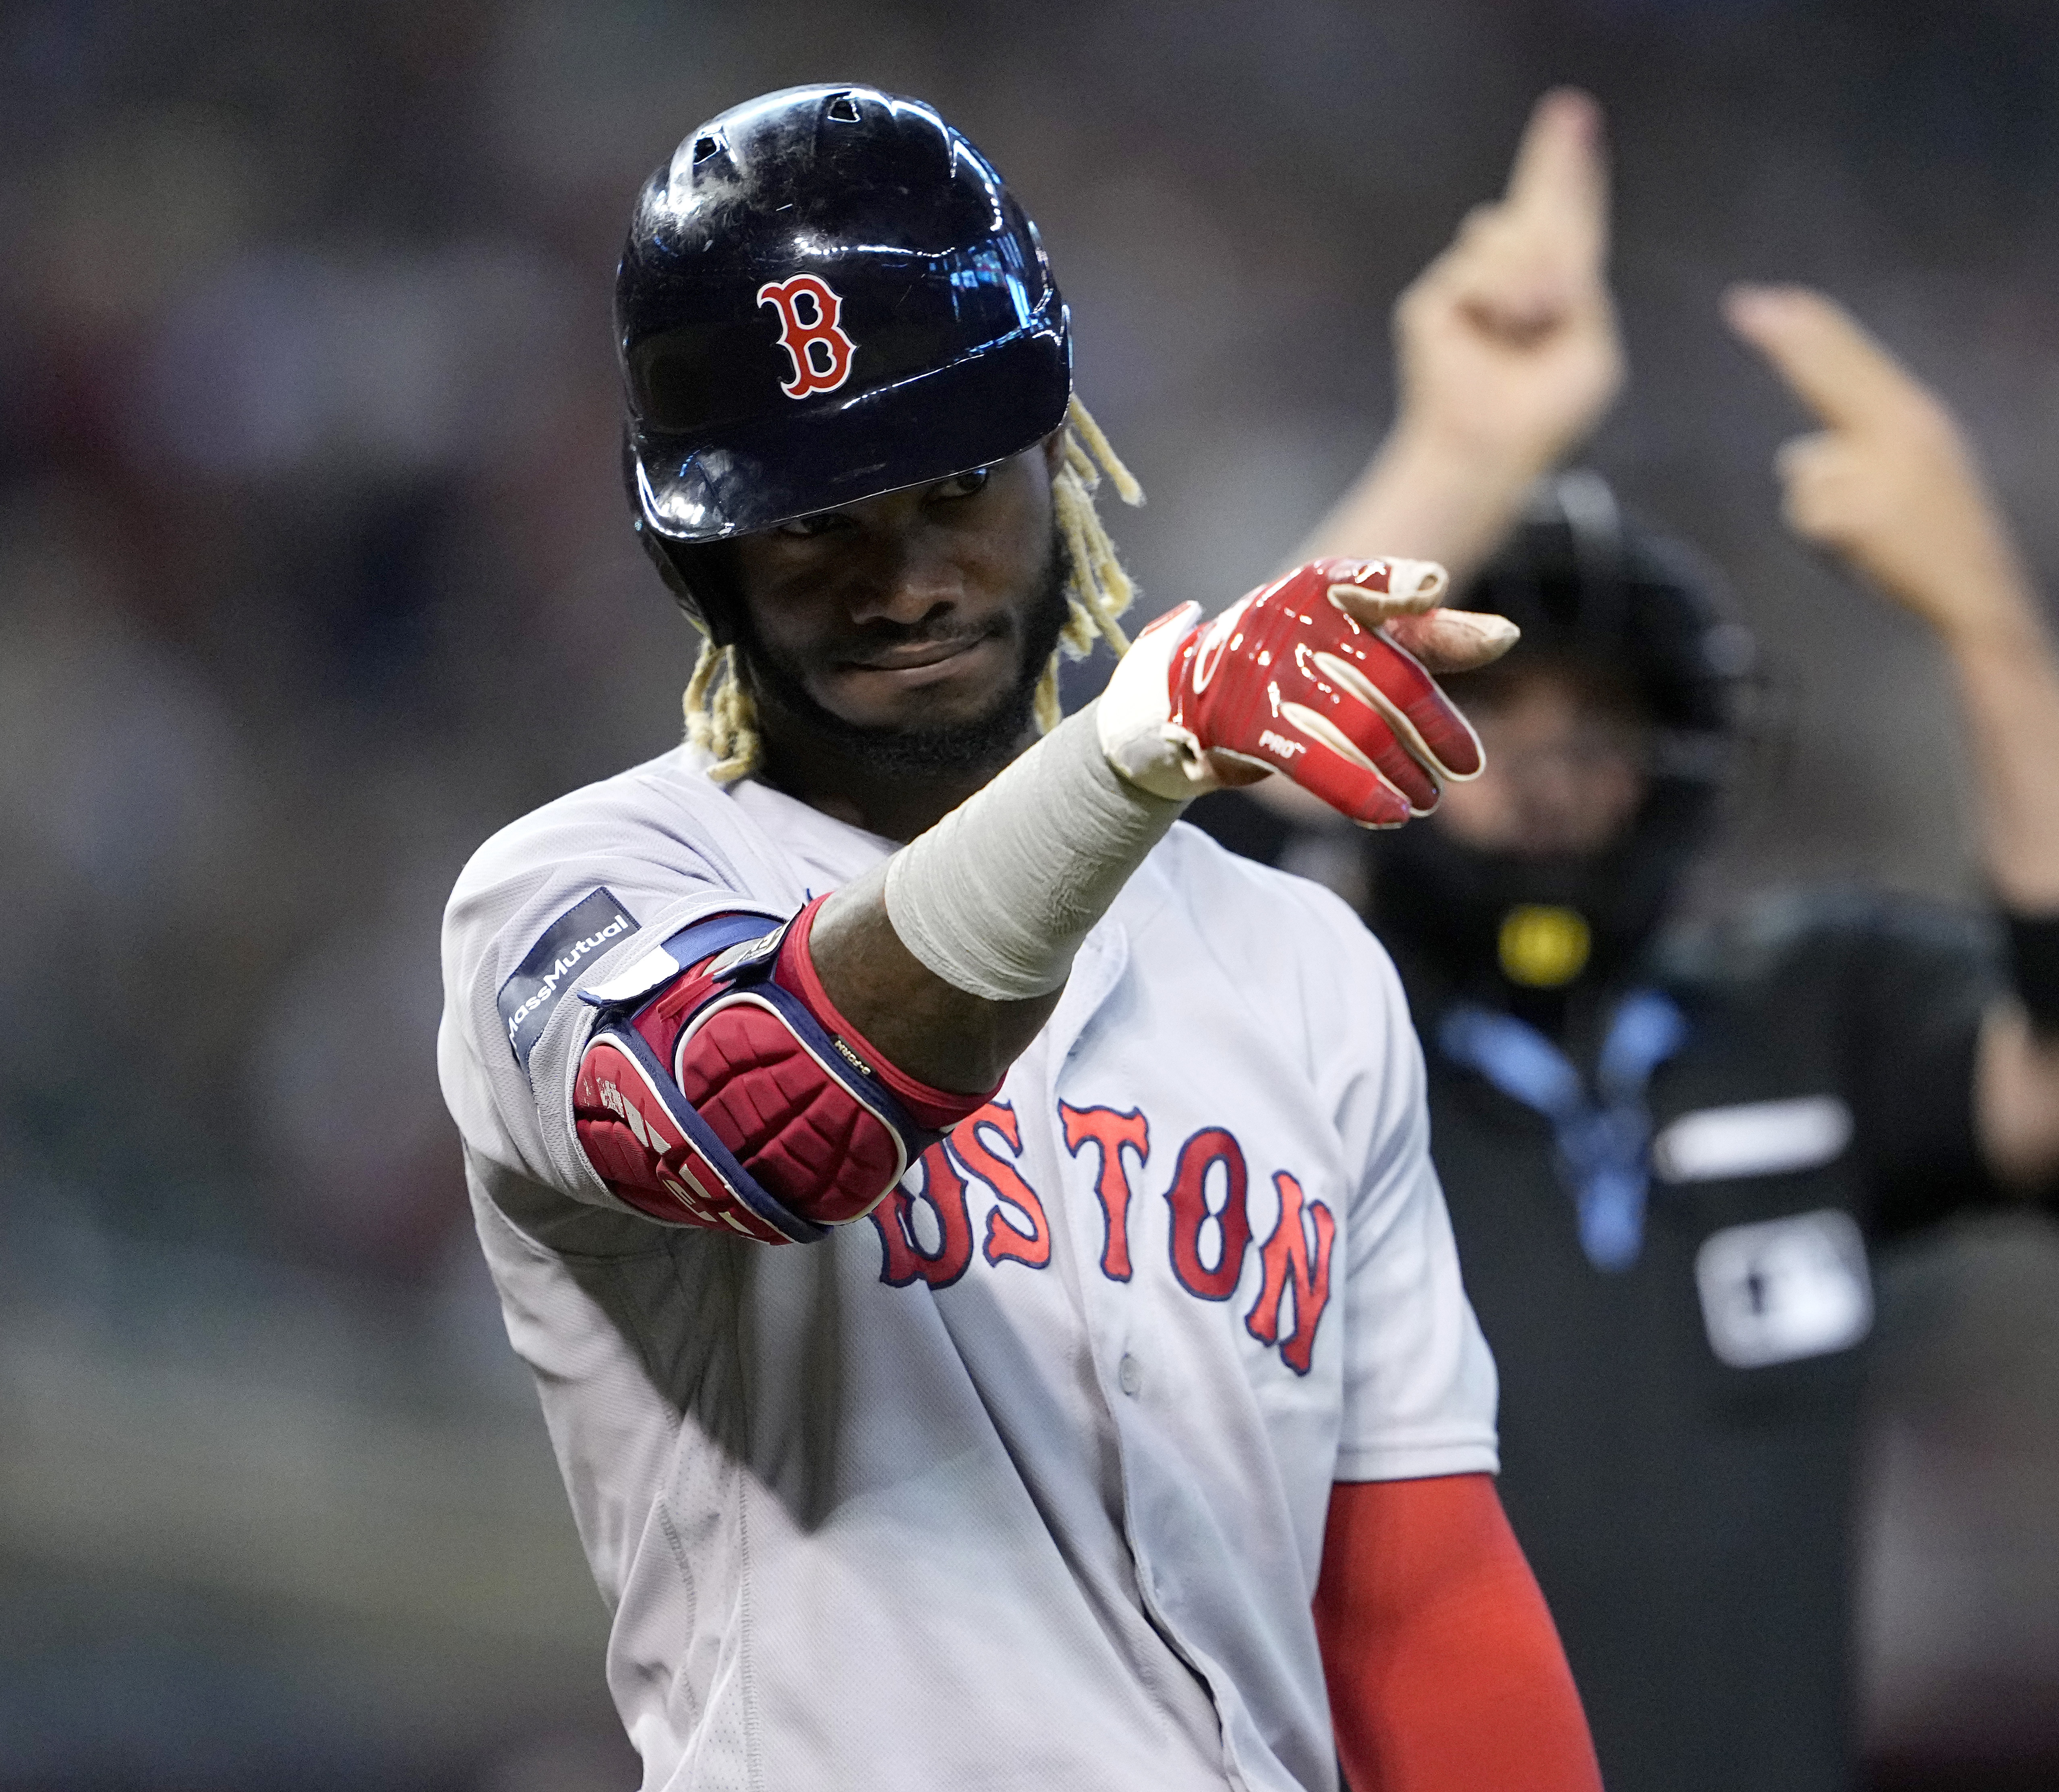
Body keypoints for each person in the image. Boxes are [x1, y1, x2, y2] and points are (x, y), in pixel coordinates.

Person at [433, 85, 1603, 1792]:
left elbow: (1416, 1599)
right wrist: (1135, 750)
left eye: (955, 482)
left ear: (1064, 460)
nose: (900, 578)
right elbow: (768, 1108)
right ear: (701, 559)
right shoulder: (579, 889)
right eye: (816, 517)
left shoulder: (1297, 966)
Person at [1203, 90, 2059, 1790]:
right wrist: (1460, 457)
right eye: (1487, 703)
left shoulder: (1816, 1016)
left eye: (1597, 722)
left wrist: (1989, 617)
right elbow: (1138, 866)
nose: (1544, 771)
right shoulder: (1290, 1035)